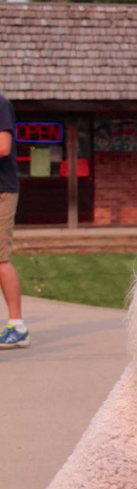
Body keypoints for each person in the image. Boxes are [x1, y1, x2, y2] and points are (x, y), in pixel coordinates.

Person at [0, 93, 28, 349]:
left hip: (2, 192)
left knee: (0, 258)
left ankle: (17, 326)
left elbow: (3, 146)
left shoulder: (1, 103)